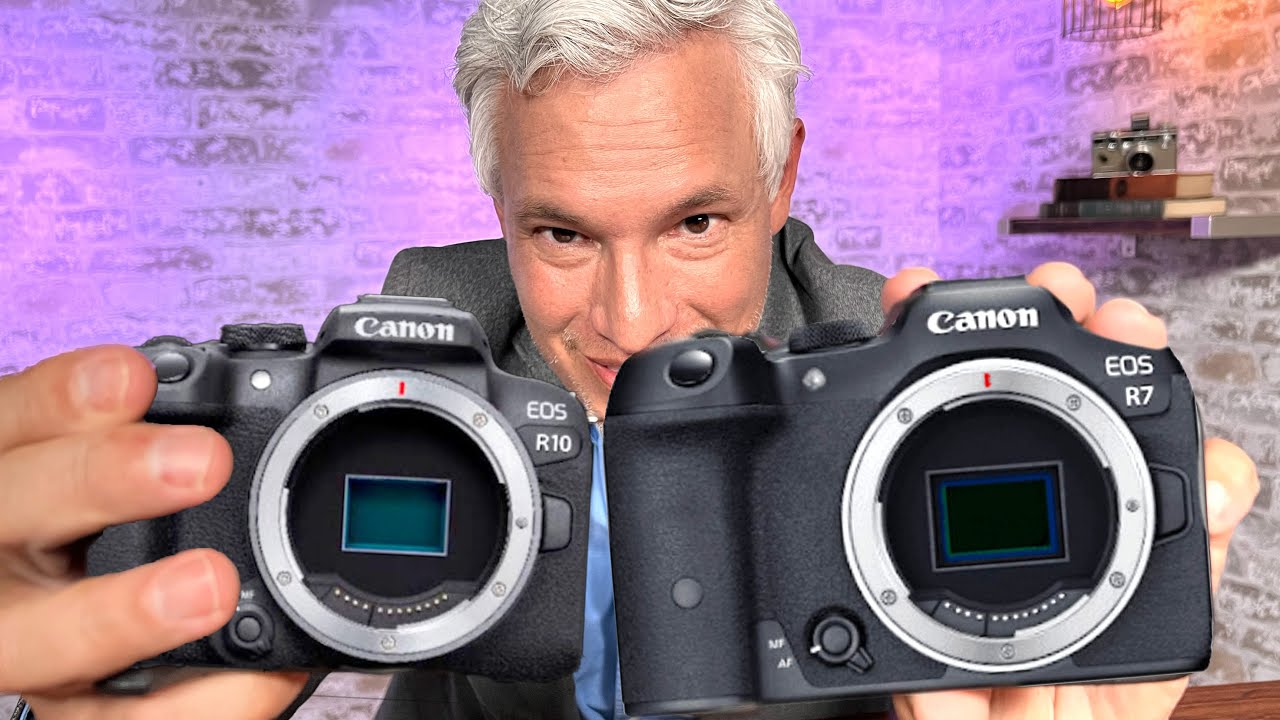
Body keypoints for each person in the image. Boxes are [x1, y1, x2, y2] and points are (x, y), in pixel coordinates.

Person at [0, 1, 1260, 719]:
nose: (632, 316)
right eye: (559, 234)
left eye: (695, 222)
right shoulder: (413, 352)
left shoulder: (911, 391)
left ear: (781, 176)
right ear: (498, 208)